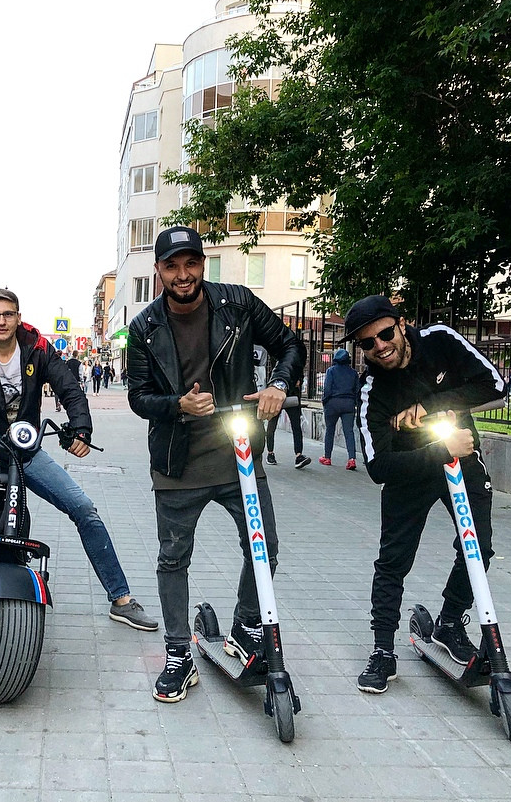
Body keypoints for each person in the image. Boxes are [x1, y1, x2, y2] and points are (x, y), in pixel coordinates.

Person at [0, 288, 157, 631]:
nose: (1, 321)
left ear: (18, 317)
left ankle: (121, 599)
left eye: (8, 314)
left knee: (84, 508)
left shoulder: (38, 347)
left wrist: (81, 429)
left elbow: (69, 387)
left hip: (26, 450)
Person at [127, 226, 305, 702]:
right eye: (172, 265)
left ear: (203, 264)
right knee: (173, 558)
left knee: (263, 547)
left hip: (238, 451)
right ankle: (178, 653)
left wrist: (279, 386)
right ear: (159, 270)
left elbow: (290, 345)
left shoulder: (238, 303)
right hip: (176, 460)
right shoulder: (144, 327)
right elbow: (138, 397)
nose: (183, 275)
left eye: (191, 263)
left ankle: (245, 626)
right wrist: (177, 405)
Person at [341, 295, 508, 693]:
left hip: (462, 461)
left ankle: (449, 624)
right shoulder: (371, 390)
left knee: (478, 547)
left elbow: (496, 385)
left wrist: (428, 405)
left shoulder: (441, 341)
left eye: (384, 334)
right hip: (410, 473)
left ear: (401, 324)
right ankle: (383, 650)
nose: (380, 347)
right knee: (393, 561)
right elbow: (378, 467)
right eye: (367, 343)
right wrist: (438, 451)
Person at [319, 348, 359, 469]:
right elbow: (357, 390)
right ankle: (351, 459)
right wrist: (354, 403)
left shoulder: (331, 371)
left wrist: (325, 401)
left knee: (330, 430)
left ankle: (327, 457)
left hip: (332, 403)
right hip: (348, 404)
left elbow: (327, 388)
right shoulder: (353, 373)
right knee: (349, 431)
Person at [264, 376, 311, 469]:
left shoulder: (295, 366)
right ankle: (270, 453)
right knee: (271, 426)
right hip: (276, 398)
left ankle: (299, 456)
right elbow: (271, 379)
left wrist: (299, 381)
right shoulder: (277, 365)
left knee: (296, 426)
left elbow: (299, 381)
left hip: (292, 397)